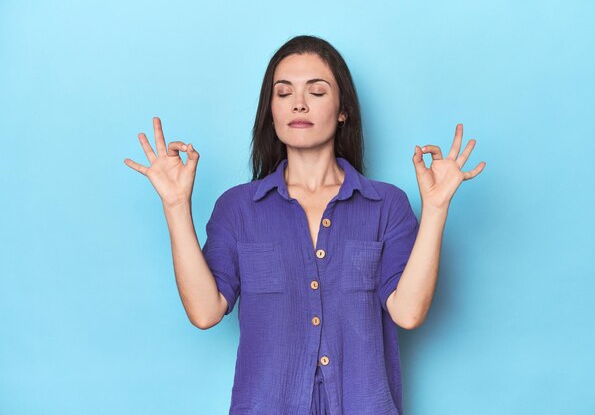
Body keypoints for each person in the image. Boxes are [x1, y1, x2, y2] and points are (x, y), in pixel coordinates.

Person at [124, 35, 485, 415]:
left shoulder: (387, 205)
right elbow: (205, 312)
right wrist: (176, 205)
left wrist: (436, 207)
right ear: (272, 111)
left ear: (343, 109)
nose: (298, 103)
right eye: (283, 93)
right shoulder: (237, 208)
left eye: (316, 91)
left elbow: (408, 313)